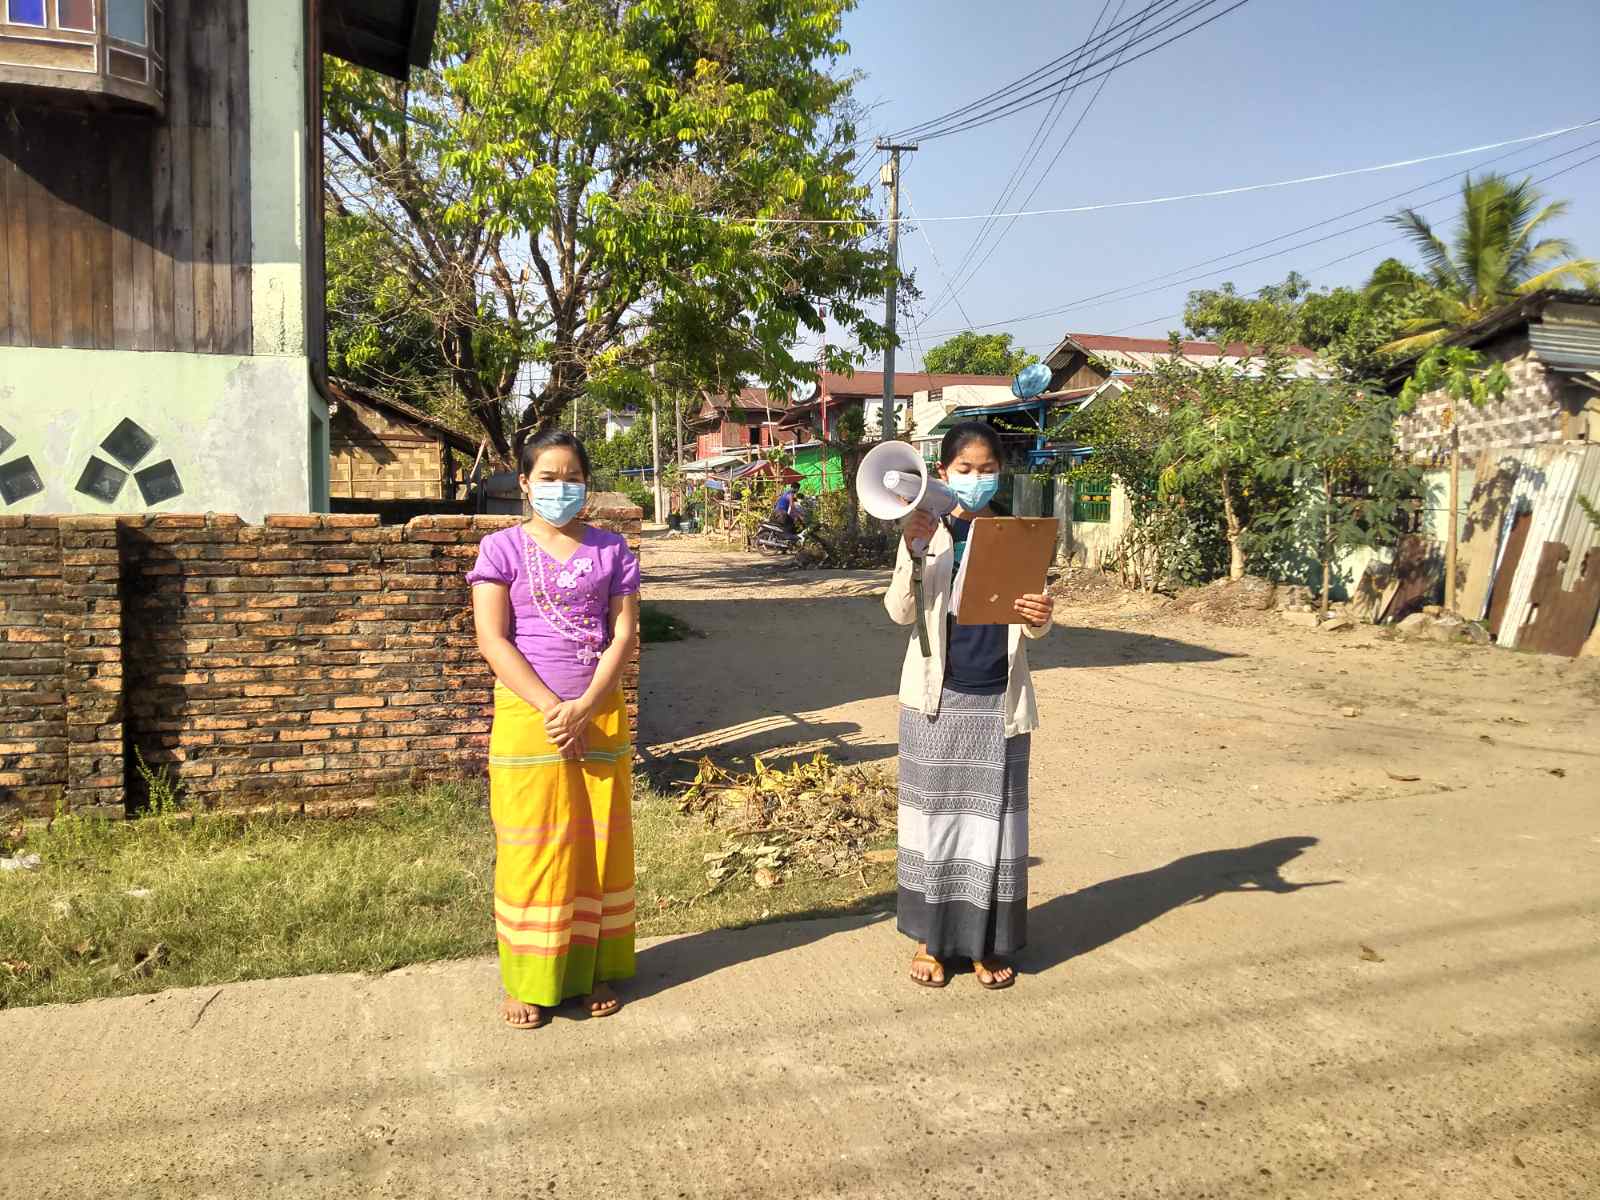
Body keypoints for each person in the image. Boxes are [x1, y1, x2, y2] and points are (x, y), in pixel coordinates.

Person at [468, 430, 642, 1029]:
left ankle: (592, 971)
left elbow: (624, 634)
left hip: (599, 715)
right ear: (524, 483)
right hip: (529, 718)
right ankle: (528, 981)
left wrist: (585, 706)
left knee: (597, 846)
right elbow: (493, 639)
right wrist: (553, 707)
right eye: (548, 477)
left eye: (572, 478)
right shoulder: (501, 550)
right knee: (532, 847)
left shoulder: (613, 550)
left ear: (587, 486)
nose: (560, 488)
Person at [885, 421, 1054, 991]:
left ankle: (985, 944)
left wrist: (1041, 616)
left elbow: (1034, 626)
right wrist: (912, 552)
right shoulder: (926, 530)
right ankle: (930, 941)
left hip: (999, 703)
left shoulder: (1019, 535)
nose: (976, 478)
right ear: (943, 472)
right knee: (934, 825)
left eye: (987, 470)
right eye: (965, 469)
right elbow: (900, 613)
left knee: (994, 831)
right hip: (935, 701)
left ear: (1000, 473)